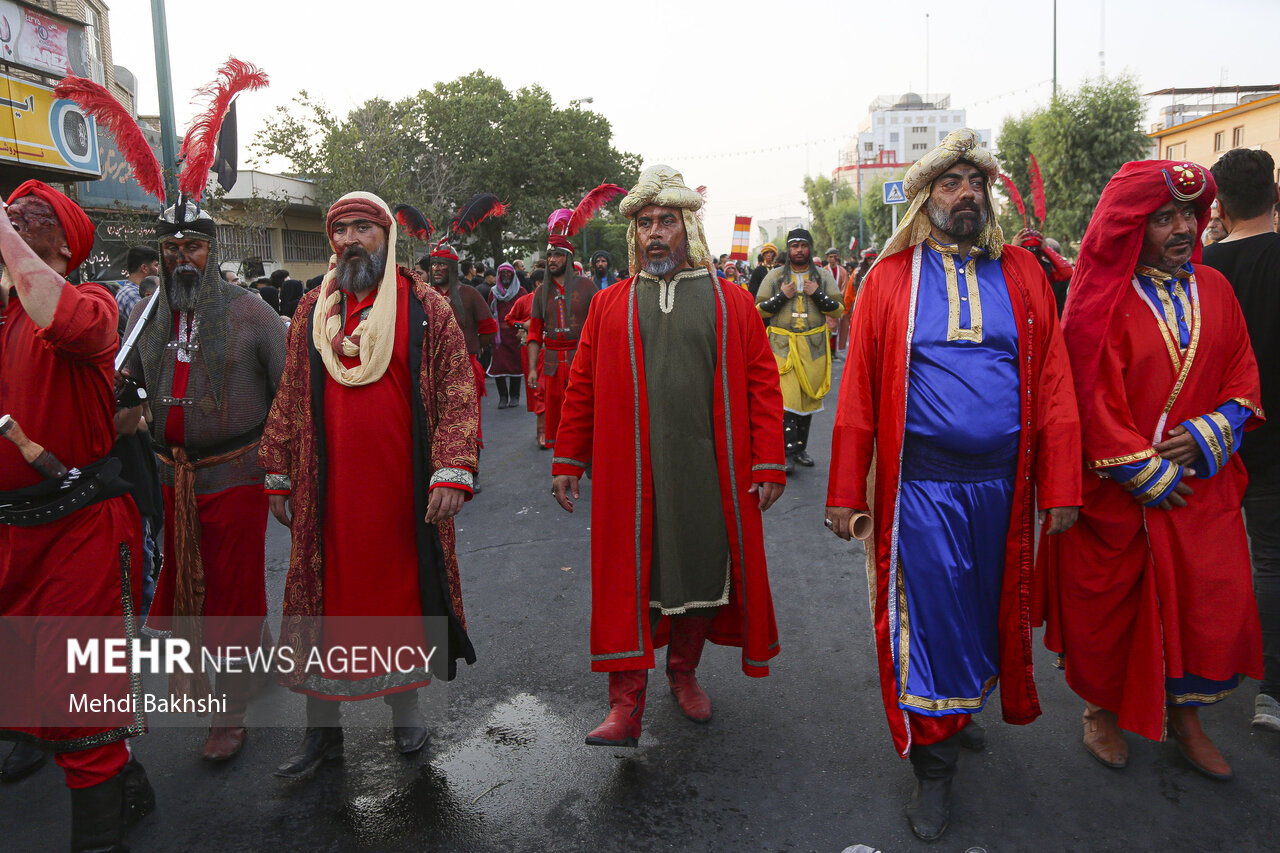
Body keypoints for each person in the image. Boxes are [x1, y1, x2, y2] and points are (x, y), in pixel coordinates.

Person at [825, 128, 1082, 841]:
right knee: (931, 625)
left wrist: (1061, 484)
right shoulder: (889, 280)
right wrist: (845, 491)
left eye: (977, 182)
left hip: (1004, 491)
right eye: (951, 183)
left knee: (982, 617)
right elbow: (858, 394)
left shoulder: (1024, 275)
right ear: (925, 198)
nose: (967, 194)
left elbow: (1054, 381)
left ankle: (958, 710)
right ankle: (933, 768)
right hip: (923, 494)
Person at [1042, 159, 1264, 781]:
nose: (1183, 229)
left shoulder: (1217, 288)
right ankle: (1100, 711)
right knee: (1111, 613)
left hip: (1202, 490)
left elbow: (1243, 374)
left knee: (1203, 605)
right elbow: (1084, 394)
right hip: (1120, 495)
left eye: (1189, 215)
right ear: (1131, 227)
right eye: (1164, 217)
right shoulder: (1100, 300)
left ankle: (1186, 718)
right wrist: (1142, 470)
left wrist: (1211, 433)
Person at [551, 164, 786, 748]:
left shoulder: (731, 302)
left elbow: (762, 384)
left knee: (700, 571)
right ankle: (624, 705)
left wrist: (768, 461)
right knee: (628, 582)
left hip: (709, 473)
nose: (655, 233)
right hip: (628, 476)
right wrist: (567, 458)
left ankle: (684, 673)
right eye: (645, 223)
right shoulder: (608, 304)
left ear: (689, 228)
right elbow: (582, 386)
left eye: (667, 221)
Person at [260, 191, 480, 779]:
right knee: (323, 609)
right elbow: (289, 393)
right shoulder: (312, 309)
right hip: (325, 496)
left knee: (397, 603)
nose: (350, 240)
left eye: (363, 228)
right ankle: (322, 732)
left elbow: (458, 393)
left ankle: (405, 710)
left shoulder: (425, 306)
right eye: (341, 230)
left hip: (400, 495)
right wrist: (278, 471)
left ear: (387, 236)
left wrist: (453, 468)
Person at [0, 180, 155, 850]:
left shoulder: (91, 303)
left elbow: (58, 317)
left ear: (65, 245)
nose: (12, 219)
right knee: (28, 690)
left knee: (80, 694)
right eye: (9, 214)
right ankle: (126, 780)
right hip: (11, 536)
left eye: (25, 218)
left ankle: (99, 836)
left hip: (79, 532)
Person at [122, 200, 287, 763]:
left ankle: (229, 713)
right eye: (171, 248)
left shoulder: (253, 313)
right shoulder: (148, 314)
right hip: (173, 476)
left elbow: (288, 395)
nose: (181, 258)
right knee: (192, 585)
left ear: (211, 251)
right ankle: (260, 665)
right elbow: (130, 378)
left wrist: (285, 469)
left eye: (192, 246)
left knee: (232, 592)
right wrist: (122, 389)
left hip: (237, 472)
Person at [1202, 148, 1280, 733]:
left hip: (1211, 442)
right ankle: (1271, 692)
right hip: (1274, 441)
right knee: (1272, 562)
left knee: (1213, 561)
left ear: (1219, 208)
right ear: (1275, 196)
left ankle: (1202, 677)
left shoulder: (1200, 269)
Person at [755, 228, 844, 472]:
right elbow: (759, 309)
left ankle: (801, 448)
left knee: (807, 400)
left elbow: (838, 309)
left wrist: (817, 294)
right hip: (782, 347)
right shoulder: (774, 276)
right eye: (794, 246)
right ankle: (788, 452)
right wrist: (782, 296)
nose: (799, 250)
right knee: (787, 399)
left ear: (810, 248)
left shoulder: (822, 276)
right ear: (789, 249)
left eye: (803, 245)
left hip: (813, 347)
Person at [420, 239, 497, 491]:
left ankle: (471, 472)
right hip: (429, 370)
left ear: (453, 267)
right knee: (432, 422)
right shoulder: (423, 295)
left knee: (466, 423)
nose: (437, 269)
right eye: (434, 264)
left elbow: (489, 328)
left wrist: (474, 348)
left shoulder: (469, 294)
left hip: (466, 367)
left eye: (442, 264)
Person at [527, 220, 600, 451]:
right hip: (552, 363)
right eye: (550, 255)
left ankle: (588, 458)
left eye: (558, 255)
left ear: (568, 258)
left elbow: (600, 327)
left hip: (582, 359)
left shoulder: (587, 287)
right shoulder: (541, 291)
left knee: (585, 411)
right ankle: (562, 461)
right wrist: (531, 369)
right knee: (557, 417)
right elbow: (534, 332)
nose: (552, 260)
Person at [488, 263, 525, 408]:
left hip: (515, 333)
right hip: (499, 336)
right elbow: (490, 312)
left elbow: (526, 311)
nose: (506, 275)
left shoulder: (520, 291)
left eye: (508, 273)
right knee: (499, 366)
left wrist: (521, 328)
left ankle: (515, 396)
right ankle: (503, 397)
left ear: (513, 274)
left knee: (515, 365)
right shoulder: (493, 292)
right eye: (503, 273)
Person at [1014, 228, 1074, 316]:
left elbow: (1067, 272)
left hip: (1043, 317)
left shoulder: (1046, 269)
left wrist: (1046, 248)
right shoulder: (1013, 268)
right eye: (1028, 250)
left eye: (1036, 251)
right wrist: (1013, 249)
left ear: (1042, 253)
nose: (1032, 255)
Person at [114, 245, 160, 335]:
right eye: (156, 265)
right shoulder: (131, 295)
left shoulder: (131, 291)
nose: (158, 270)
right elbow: (150, 329)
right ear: (144, 268)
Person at [824, 247, 849, 355]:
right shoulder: (824, 271)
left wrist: (839, 298)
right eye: (830, 257)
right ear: (827, 258)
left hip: (839, 302)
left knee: (839, 328)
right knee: (829, 326)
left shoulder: (843, 271)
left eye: (835, 257)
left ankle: (835, 351)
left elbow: (845, 287)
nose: (833, 259)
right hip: (827, 303)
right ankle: (829, 350)